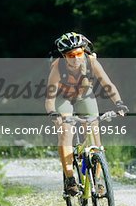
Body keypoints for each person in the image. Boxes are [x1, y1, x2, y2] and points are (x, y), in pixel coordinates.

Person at [45, 32, 129, 195]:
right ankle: (70, 179)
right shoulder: (57, 66)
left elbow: (107, 84)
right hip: (63, 98)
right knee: (66, 132)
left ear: (84, 51)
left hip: (84, 95)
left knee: (94, 135)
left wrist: (119, 103)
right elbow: (49, 99)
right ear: (64, 56)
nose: (75, 58)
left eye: (78, 53)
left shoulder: (91, 62)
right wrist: (54, 115)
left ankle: (97, 180)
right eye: (70, 55)